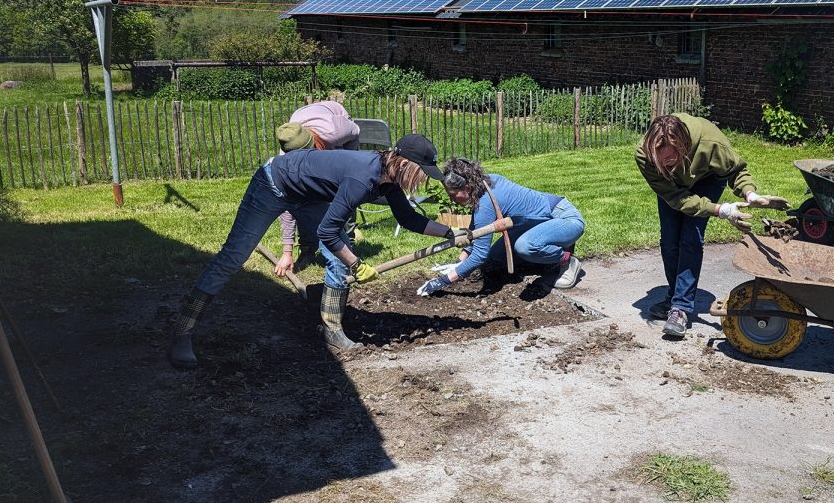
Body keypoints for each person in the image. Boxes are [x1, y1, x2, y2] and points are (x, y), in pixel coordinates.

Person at [168, 134, 457, 367]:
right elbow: (327, 232)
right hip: (273, 184)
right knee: (232, 257)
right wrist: (357, 264)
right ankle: (183, 331)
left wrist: (450, 233)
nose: (423, 180)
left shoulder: (388, 180)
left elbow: (409, 219)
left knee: (338, 259)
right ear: (404, 164)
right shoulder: (362, 178)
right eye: (422, 173)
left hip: (307, 195)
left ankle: (333, 331)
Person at [635, 113, 788, 339]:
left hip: (707, 177)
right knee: (669, 240)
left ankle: (680, 308)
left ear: (683, 147)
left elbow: (736, 170)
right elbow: (677, 199)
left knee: (691, 237)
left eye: (669, 159)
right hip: (673, 189)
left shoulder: (711, 142)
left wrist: (750, 193)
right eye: (659, 161)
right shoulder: (644, 155)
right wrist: (721, 210)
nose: (664, 164)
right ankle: (674, 296)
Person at [415, 157, 584, 297]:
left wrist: (443, 281)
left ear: (467, 187)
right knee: (495, 258)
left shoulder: (485, 204)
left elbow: (479, 255)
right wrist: (459, 263)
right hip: (535, 225)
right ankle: (548, 253)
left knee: (525, 247)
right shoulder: (484, 184)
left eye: (453, 194)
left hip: (565, 219)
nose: (452, 200)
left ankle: (567, 259)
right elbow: (477, 234)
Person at [273, 101, 361, 278]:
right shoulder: (285, 157)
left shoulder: (335, 132)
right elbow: (289, 206)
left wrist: (349, 163)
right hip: (303, 119)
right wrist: (287, 251)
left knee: (345, 194)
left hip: (336, 124)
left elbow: (356, 132)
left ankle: (347, 245)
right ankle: (307, 249)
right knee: (304, 200)